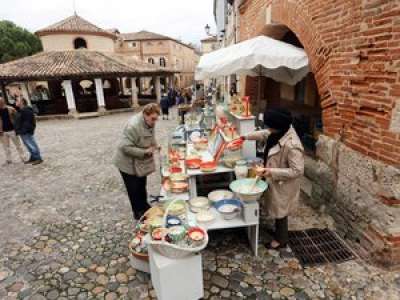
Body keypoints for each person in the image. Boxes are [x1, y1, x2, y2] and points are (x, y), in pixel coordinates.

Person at [244, 108, 304, 249]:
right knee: (276, 207)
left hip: (283, 183)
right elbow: (264, 134)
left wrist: (270, 171)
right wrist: (245, 137)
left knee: (281, 211)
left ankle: (281, 240)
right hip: (272, 176)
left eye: (269, 126)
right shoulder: (279, 131)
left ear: (277, 126)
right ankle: (278, 232)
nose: (267, 129)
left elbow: (297, 170)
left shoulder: (292, 145)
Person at [113, 103, 161, 220]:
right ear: (145, 115)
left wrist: (155, 144)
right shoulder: (133, 126)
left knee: (141, 185)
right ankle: (138, 213)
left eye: (156, 119)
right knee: (133, 190)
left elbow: (151, 135)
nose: (154, 122)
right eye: (153, 119)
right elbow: (125, 147)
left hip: (139, 162)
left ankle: (144, 207)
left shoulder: (149, 122)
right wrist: (145, 152)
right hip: (127, 163)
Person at [14, 97, 43, 165]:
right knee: (28, 145)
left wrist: (24, 130)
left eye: (17, 100)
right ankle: (33, 157)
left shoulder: (26, 110)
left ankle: (38, 158)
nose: (15, 102)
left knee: (31, 144)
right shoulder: (22, 110)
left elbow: (29, 121)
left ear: (22, 102)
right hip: (22, 131)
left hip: (25, 131)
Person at [0, 97, 25, 164]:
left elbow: (17, 117)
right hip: (3, 131)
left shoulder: (10, 109)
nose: (0, 103)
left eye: (1, 101)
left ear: (3, 101)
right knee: (6, 147)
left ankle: (22, 157)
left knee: (18, 145)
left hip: (12, 130)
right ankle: (9, 159)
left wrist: (17, 126)